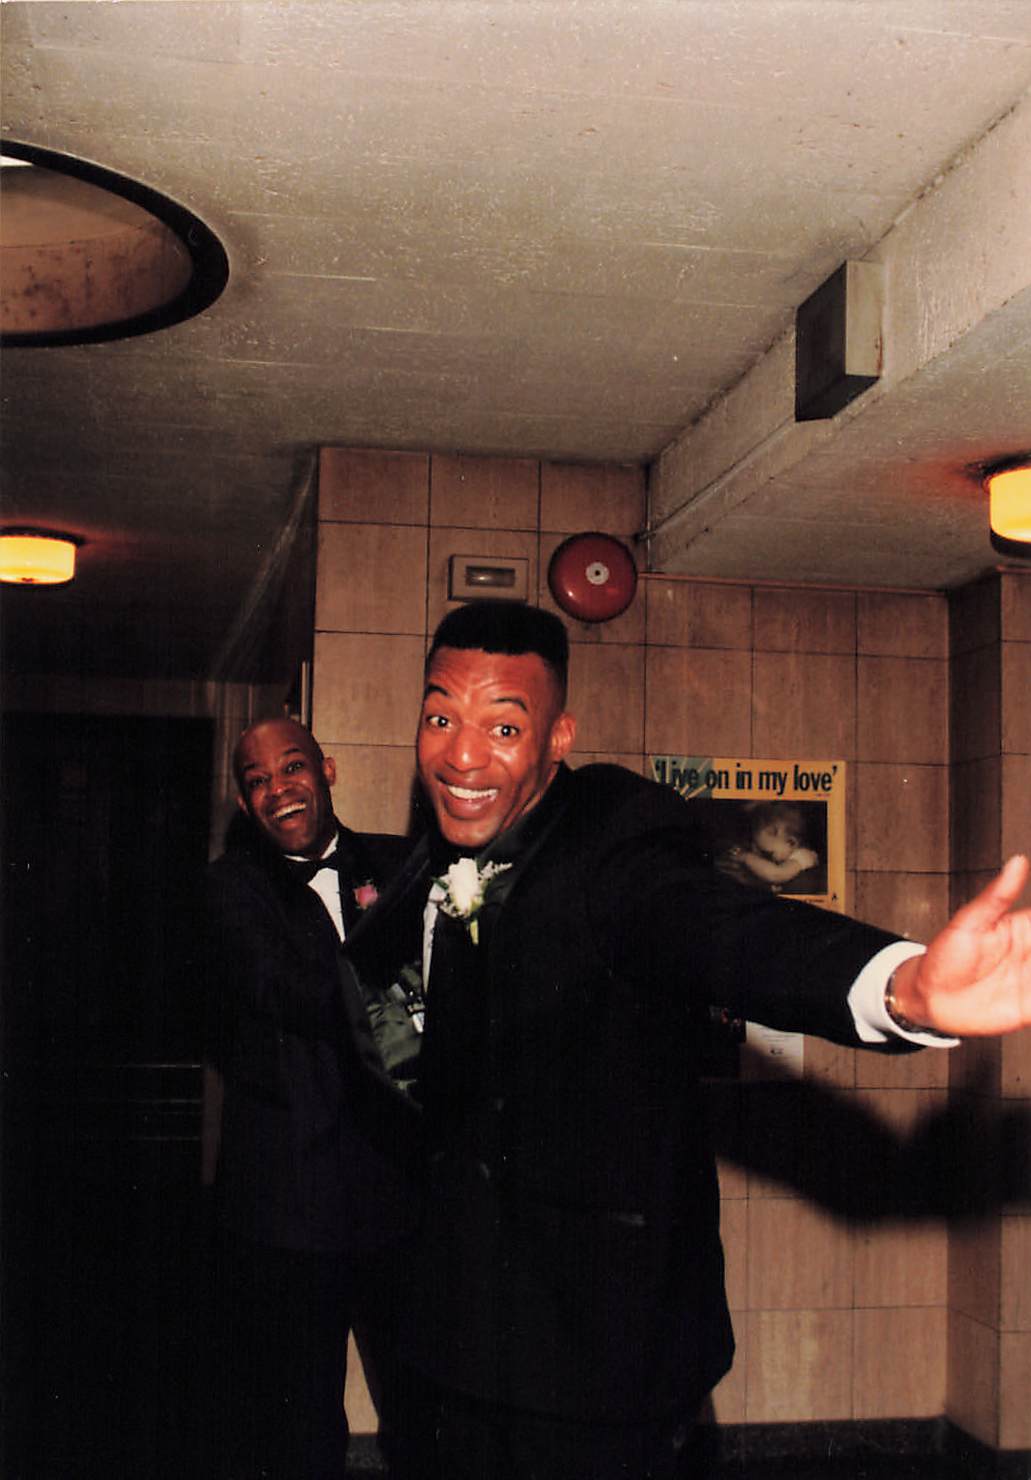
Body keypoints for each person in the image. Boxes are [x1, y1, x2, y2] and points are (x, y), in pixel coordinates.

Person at [342, 599, 1031, 1480]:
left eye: (503, 726)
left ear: (558, 738)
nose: (462, 755)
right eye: (440, 718)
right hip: (457, 1335)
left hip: (597, 1348)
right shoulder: (426, 862)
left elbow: (722, 931)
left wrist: (904, 987)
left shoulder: (615, 850)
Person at [204, 717, 421, 1480]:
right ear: (244, 801)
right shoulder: (230, 890)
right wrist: (414, 994)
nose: (278, 790)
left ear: (325, 770)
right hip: (288, 1209)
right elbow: (292, 990)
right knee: (301, 1430)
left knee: (424, 1414)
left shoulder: (400, 864)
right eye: (257, 781)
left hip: (401, 1201)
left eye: (291, 768)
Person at [716, 799, 819, 891]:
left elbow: (776, 875)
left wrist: (746, 857)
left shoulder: (803, 856)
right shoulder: (780, 853)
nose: (758, 859)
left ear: (790, 842)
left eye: (766, 854)